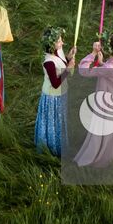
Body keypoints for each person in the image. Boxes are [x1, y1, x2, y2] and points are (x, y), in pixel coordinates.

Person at [73, 35, 113, 175]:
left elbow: (83, 70)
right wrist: (101, 63)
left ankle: (104, 153)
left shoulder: (108, 67)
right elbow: (107, 68)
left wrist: (93, 54)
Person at [35, 26, 75, 155]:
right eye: (59, 41)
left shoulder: (56, 53)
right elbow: (56, 83)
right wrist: (68, 69)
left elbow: (61, 62)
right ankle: (52, 147)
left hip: (60, 94)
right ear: (52, 44)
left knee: (59, 120)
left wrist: (69, 57)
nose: (62, 43)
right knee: (53, 122)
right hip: (53, 97)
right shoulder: (49, 62)